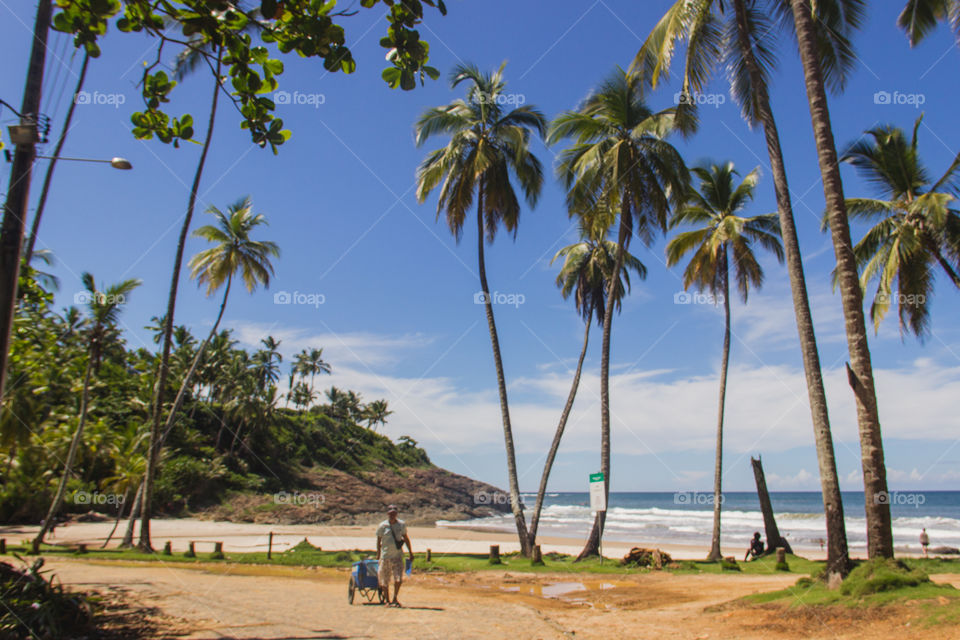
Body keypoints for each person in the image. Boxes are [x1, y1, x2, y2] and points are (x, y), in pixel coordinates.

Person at [376, 505, 413, 607]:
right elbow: (378, 541)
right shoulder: (382, 526)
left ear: (396, 514)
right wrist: (378, 554)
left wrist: (410, 552)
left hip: (397, 556)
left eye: (394, 513)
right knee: (384, 579)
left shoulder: (401, 525)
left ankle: (395, 598)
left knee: (398, 579)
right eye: (390, 513)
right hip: (385, 556)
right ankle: (387, 600)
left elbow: (406, 538)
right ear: (388, 514)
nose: (392, 515)